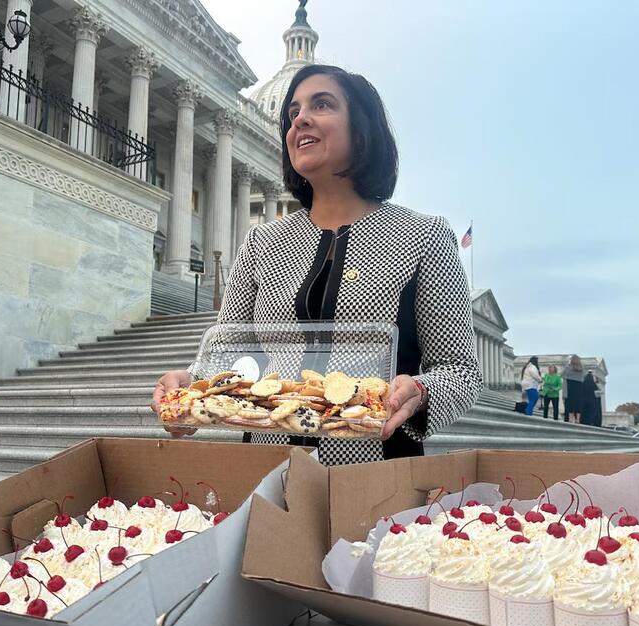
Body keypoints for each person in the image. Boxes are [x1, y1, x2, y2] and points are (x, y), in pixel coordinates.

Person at [151, 64, 483, 466]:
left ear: (361, 130)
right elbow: (228, 355)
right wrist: (191, 384)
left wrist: (421, 392)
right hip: (270, 469)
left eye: (321, 104)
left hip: (376, 469)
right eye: (293, 113)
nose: (300, 119)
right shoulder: (261, 242)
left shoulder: (424, 235)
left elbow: (460, 371)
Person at [561, 355, 585, 424]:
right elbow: (583, 377)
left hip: (570, 387)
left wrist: (567, 365)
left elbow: (562, 374)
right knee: (578, 403)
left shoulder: (568, 368)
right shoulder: (582, 369)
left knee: (570, 403)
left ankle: (571, 419)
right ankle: (578, 419)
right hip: (579, 387)